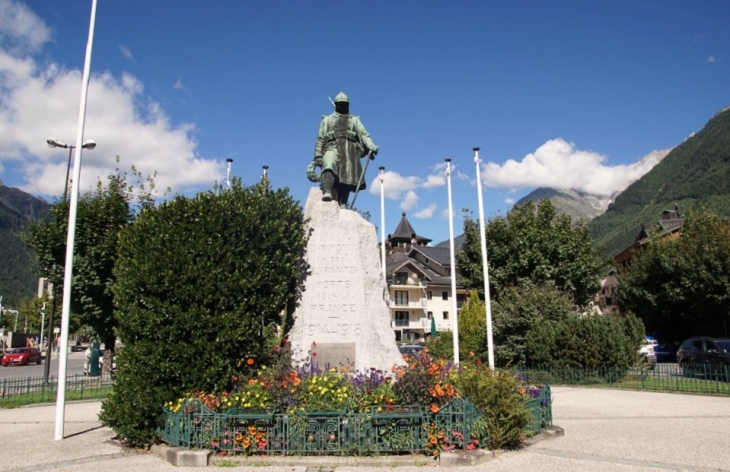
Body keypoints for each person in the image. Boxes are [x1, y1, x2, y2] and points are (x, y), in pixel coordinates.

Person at [307, 92, 379, 207]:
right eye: (340, 104)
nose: (342, 106)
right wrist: (318, 156)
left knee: (347, 177)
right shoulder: (327, 119)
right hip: (332, 147)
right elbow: (320, 139)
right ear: (335, 105)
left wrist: (371, 145)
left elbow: (364, 135)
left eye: (344, 104)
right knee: (329, 164)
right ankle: (327, 192)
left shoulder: (354, 120)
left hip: (349, 150)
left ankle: (343, 202)